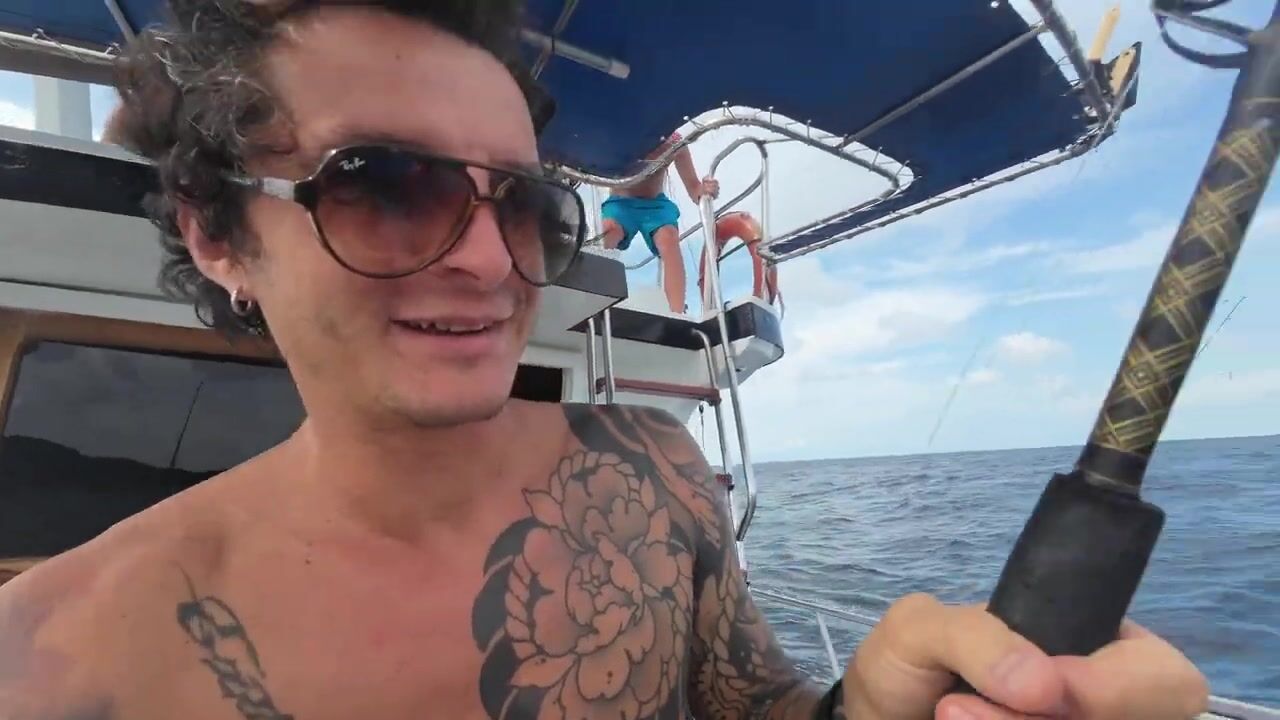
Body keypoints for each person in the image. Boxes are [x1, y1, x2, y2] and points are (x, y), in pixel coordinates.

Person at [0, 2, 1209, 719]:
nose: (490, 262)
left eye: (524, 203)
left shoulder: (651, 466)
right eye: (387, 185)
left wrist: (874, 704)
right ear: (219, 235)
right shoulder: (56, 659)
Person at [600, 132, 719, 314]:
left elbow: (694, 189)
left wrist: (705, 189)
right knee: (609, 230)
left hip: (655, 205)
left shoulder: (674, 142)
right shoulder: (619, 135)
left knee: (668, 237)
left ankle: (677, 312)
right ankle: (598, 300)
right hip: (621, 202)